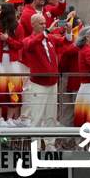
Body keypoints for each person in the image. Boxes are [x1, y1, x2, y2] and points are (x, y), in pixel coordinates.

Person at [20, 13, 72, 150]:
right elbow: (31, 45)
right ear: (33, 25)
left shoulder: (49, 38)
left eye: (44, 23)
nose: (44, 26)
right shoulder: (27, 40)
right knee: (36, 116)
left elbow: (66, 43)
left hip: (52, 83)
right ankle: (35, 147)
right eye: (41, 24)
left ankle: (50, 144)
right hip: (38, 84)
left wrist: (68, 31)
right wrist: (47, 31)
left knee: (51, 116)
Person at [0, 3, 27, 126]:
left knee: (14, 88)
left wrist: (7, 39)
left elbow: (20, 44)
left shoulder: (18, 26)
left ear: (6, 11)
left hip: (13, 61)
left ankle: (10, 118)